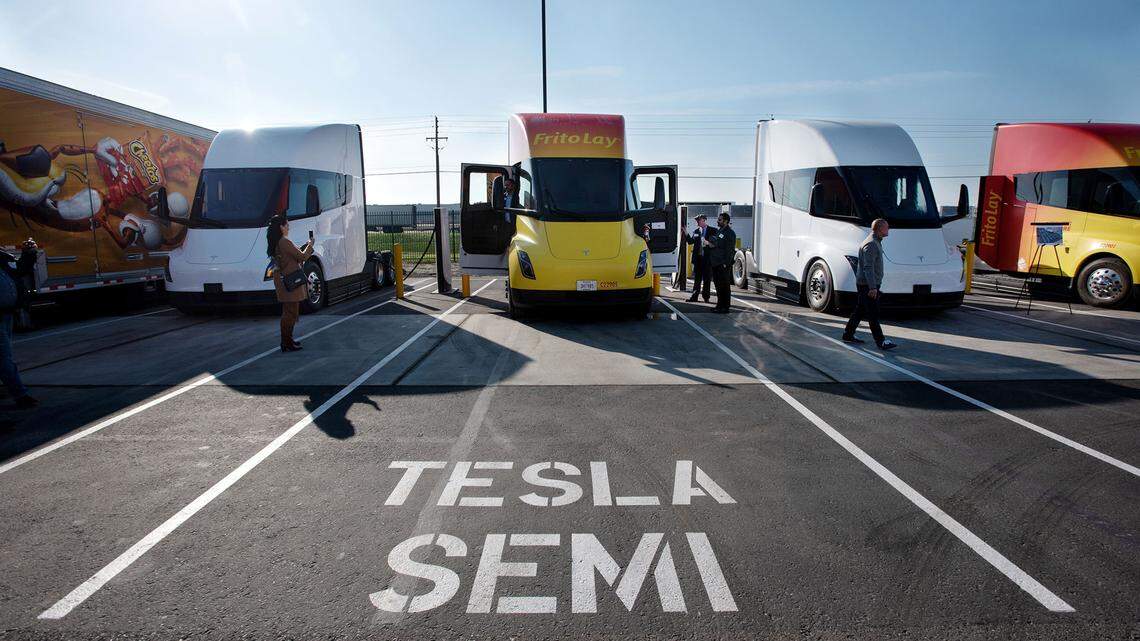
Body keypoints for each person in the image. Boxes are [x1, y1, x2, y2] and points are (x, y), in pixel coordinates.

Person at [843, 218, 897, 350]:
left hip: (867, 284)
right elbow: (868, 267)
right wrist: (872, 287)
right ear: (880, 229)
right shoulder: (871, 244)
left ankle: (848, 334)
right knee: (873, 313)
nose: (888, 229)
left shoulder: (875, 241)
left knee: (860, 310)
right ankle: (881, 342)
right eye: (886, 227)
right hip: (868, 285)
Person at [0, 237, 39, 408]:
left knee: (4, 355)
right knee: (3, 357)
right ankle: (20, 395)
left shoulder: (2, 257)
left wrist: (29, 254)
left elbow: (20, 269)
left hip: (6, 314)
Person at [267, 214, 313, 353]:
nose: (288, 227)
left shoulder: (279, 242)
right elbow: (302, 256)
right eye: (286, 224)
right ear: (281, 227)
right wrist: (310, 245)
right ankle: (286, 342)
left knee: (290, 311)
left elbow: (293, 256)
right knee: (290, 313)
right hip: (289, 282)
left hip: (284, 281)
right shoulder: (284, 242)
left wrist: (303, 248)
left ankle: (288, 340)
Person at [681, 214, 714, 302]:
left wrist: (708, 243)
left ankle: (706, 297)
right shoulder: (696, 231)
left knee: (707, 279)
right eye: (696, 220)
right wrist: (686, 232)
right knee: (697, 279)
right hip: (698, 259)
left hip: (707, 259)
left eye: (698, 220)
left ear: (704, 220)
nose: (697, 222)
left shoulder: (713, 230)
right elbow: (691, 242)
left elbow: (715, 244)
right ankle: (694, 297)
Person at [708, 212, 736, 313]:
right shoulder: (720, 231)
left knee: (724, 286)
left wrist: (726, 263)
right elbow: (716, 243)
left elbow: (730, 250)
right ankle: (719, 305)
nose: (717, 221)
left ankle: (725, 307)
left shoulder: (730, 233)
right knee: (718, 286)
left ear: (726, 221)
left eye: (719, 220)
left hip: (723, 264)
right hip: (716, 262)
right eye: (718, 219)